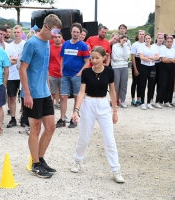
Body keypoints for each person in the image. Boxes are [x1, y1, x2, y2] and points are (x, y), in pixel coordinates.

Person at [70, 46, 124, 183]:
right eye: (92, 57)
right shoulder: (86, 72)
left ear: (104, 58)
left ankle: (115, 169)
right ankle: (77, 161)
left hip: (103, 105)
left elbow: (112, 92)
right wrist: (76, 110)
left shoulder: (109, 72)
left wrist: (115, 111)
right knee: (84, 136)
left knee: (109, 139)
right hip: (88, 104)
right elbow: (82, 92)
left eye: (97, 58)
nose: (94, 60)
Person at [19, 14, 62, 178]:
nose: (56, 36)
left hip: (44, 93)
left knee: (51, 127)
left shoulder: (48, 43)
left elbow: (44, 69)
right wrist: (27, 94)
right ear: (46, 27)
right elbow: (22, 69)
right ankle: (35, 164)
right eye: (55, 32)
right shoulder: (31, 43)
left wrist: (49, 92)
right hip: (32, 94)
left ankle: (40, 159)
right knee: (35, 128)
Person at [56, 22, 90, 129]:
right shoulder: (65, 44)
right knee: (63, 96)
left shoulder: (83, 46)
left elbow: (87, 62)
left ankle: (74, 119)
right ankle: (62, 119)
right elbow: (62, 58)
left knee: (77, 97)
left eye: (78, 32)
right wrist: (61, 69)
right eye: (74, 31)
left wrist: (80, 72)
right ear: (71, 32)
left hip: (76, 75)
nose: (75, 34)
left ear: (80, 34)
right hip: (65, 74)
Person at [5, 25, 25, 128]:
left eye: (18, 32)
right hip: (11, 75)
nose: (16, 34)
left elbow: (25, 60)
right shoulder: (9, 46)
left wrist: (15, 60)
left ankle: (23, 117)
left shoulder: (25, 45)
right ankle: (13, 118)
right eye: (15, 32)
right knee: (11, 97)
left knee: (23, 98)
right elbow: (7, 61)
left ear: (22, 33)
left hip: (23, 75)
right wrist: (16, 61)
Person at [138, 34, 159, 110]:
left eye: (149, 38)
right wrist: (151, 59)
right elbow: (141, 57)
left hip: (152, 67)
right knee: (143, 84)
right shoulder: (141, 47)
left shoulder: (154, 47)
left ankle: (149, 102)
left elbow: (157, 57)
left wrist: (149, 58)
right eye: (146, 38)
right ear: (144, 39)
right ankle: (143, 102)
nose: (147, 40)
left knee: (151, 84)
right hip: (144, 67)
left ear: (151, 39)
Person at [155, 36, 175, 108]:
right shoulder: (162, 49)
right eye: (168, 42)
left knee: (170, 84)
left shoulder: (174, 50)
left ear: (172, 43)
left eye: (171, 42)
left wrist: (169, 59)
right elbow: (163, 60)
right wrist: (171, 60)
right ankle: (158, 101)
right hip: (164, 68)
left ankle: (167, 101)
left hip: (171, 68)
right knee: (163, 84)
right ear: (165, 42)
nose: (169, 43)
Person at [111, 34, 130, 108]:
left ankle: (123, 101)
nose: (124, 42)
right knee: (116, 85)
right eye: (123, 40)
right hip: (116, 67)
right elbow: (115, 57)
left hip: (124, 66)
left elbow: (126, 57)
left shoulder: (127, 47)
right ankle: (114, 101)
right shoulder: (115, 46)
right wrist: (122, 59)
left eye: (126, 41)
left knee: (124, 85)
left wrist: (125, 47)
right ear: (120, 39)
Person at [130, 30, 145, 106]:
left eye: (143, 34)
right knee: (135, 81)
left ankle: (139, 98)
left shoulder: (146, 44)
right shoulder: (135, 44)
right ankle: (133, 99)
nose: (142, 36)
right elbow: (132, 57)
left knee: (141, 82)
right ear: (138, 35)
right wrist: (135, 68)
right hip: (136, 62)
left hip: (143, 63)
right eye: (140, 34)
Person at [49, 32, 63, 109]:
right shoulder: (50, 48)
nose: (57, 39)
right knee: (52, 94)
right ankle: (50, 110)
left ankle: (62, 112)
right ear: (53, 38)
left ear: (62, 38)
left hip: (62, 74)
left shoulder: (64, 48)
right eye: (55, 37)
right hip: (52, 74)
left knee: (63, 95)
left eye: (59, 37)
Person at [151, 33, 165, 105]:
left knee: (160, 82)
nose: (160, 39)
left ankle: (159, 99)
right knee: (153, 82)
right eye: (159, 38)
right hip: (153, 65)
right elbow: (152, 56)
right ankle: (151, 98)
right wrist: (157, 57)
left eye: (162, 38)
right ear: (157, 38)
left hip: (161, 65)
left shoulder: (164, 47)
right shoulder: (153, 46)